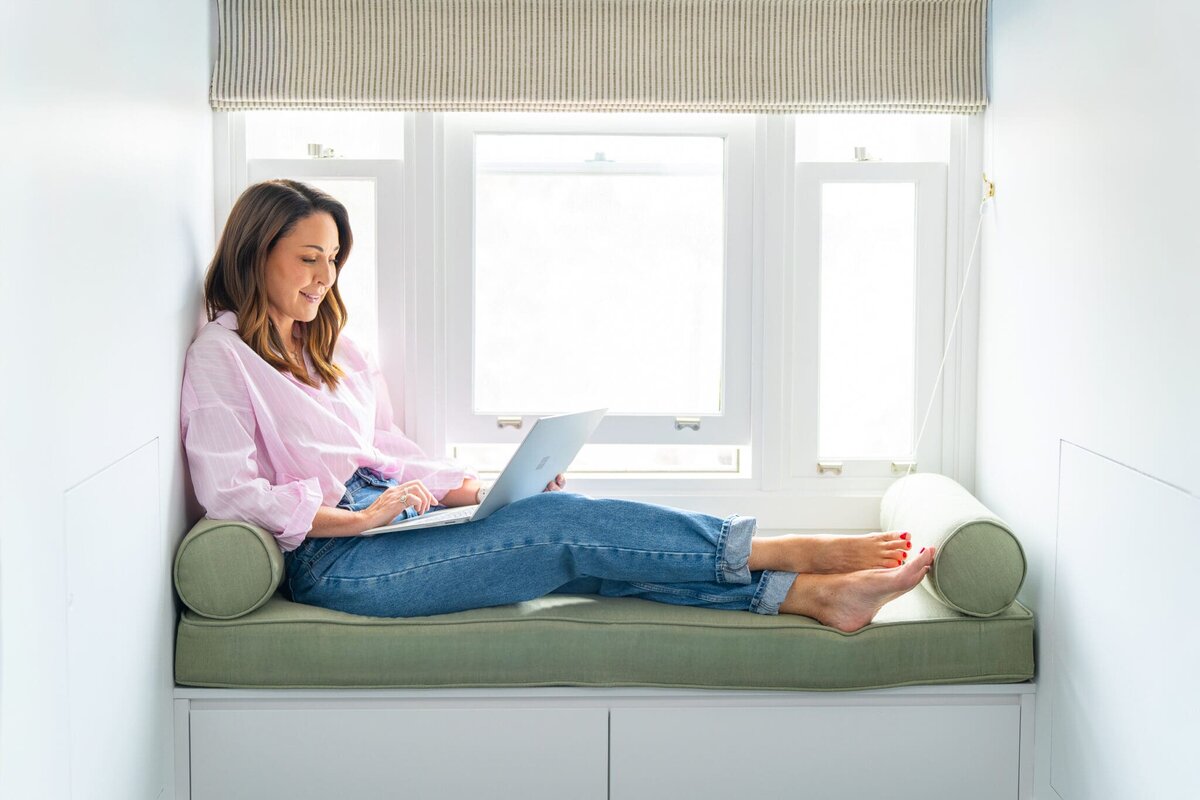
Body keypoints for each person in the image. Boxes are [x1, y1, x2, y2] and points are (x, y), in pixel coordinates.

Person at [180, 179, 935, 633]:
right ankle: (778, 551)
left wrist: (473, 490)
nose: (324, 276)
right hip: (337, 558)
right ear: (256, 250)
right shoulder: (223, 355)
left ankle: (808, 599)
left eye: (333, 259)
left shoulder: (335, 350)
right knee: (562, 532)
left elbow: (388, 451)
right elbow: (229, 493)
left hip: (391, 518)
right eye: (309, 257)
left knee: (578, 553)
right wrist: (355, 519)